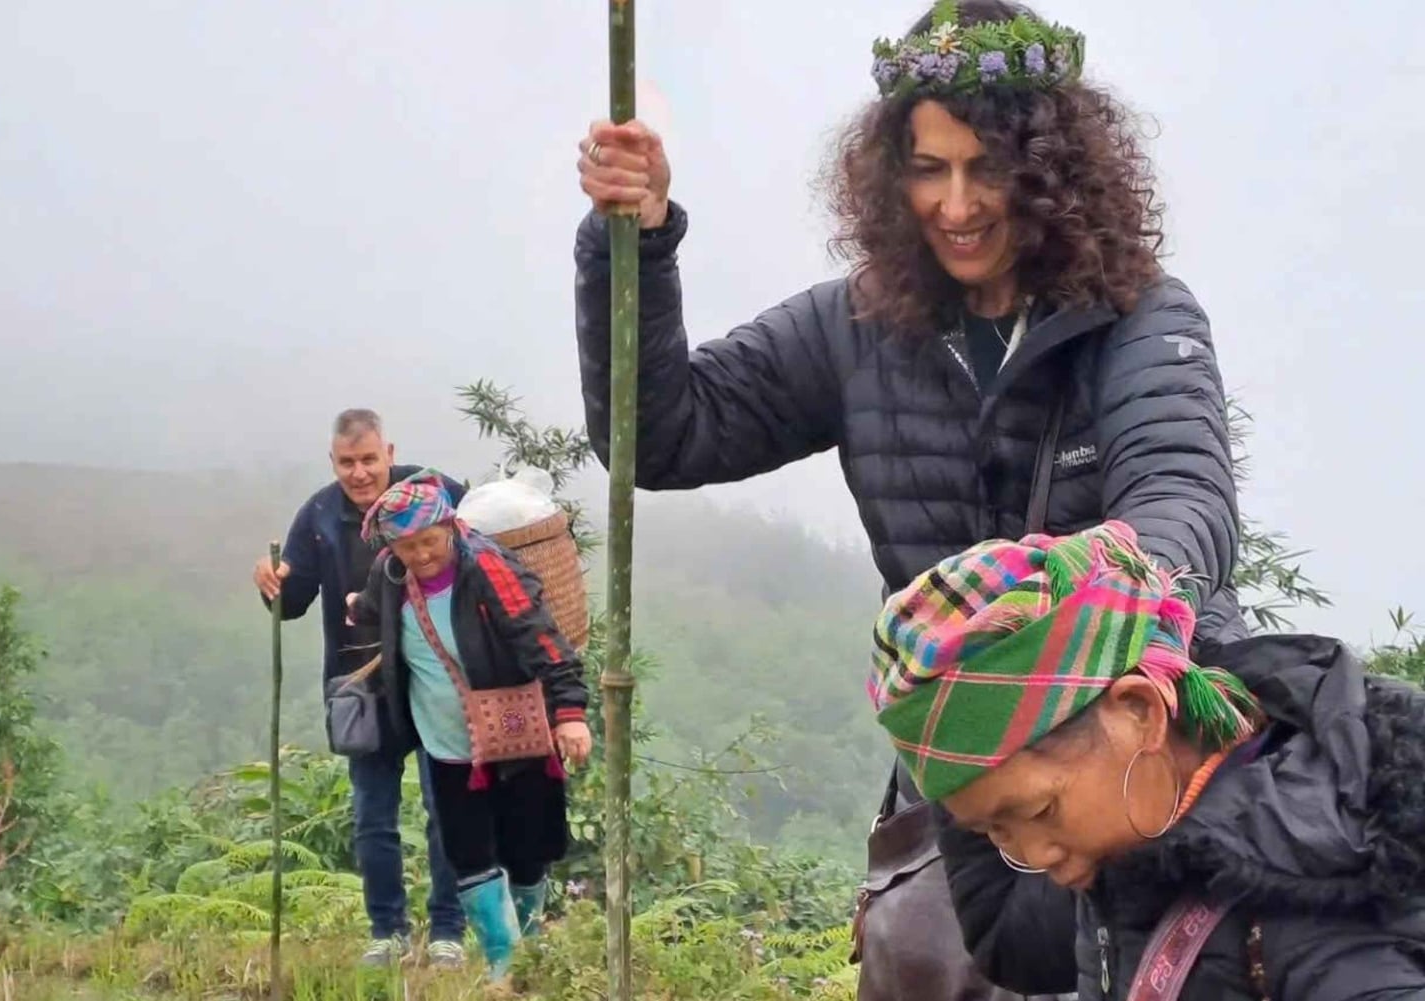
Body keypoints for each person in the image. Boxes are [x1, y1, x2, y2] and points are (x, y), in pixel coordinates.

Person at [575, 0, 1243, 994]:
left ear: (1052, 176)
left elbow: (1183, 497)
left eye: (989, 170)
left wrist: (1046, 614)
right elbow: (664, 433)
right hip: (972, 762)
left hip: (1137, 740)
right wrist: (636, 242)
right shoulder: (858, 326)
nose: (958, 204)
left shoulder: (1139, 317)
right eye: (930, 168)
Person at [870, 521, 1425, 999]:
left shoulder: (1327, 914)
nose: (1036, 856)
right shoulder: (1135, 845)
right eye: (994, 831)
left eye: (1040, 811)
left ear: (1138, 711)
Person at [348, 471, 593, 986]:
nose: (420, 555)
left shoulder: (486, 567)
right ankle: (504, 964)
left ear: (450, 527)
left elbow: (541, 636)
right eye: (407, 545)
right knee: (468, 852)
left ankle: (531, 949)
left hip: (513, 728)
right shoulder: (391, 573)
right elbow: (376, 609)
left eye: (429, 542)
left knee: (527, 845)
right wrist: (360, 608)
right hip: (446, 740)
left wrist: (569, 713)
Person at [252, 409, 466, 967]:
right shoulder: (319, 515)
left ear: (389, 453)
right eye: (348, 462)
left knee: (448, 809)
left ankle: (448, 931)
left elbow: (484, 548)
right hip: (360, 688)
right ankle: (387, 931)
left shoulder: (433, 492)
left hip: (437, 680)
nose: (360, 473)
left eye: (369, 459)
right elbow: (291, 604)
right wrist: (271, 582)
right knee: (374, 815)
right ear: (333, 462)